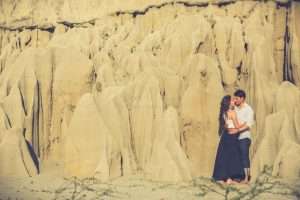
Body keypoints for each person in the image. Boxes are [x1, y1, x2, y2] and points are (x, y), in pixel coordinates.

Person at [212, 95, 246, 185]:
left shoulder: (223, 112)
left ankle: (225, 178)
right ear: (228, 102)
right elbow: (237, 126)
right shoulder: (232, 112)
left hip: (225, 136)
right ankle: (228, 179)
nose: (234, 101)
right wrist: (246, 123)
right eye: (232, 100)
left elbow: (225, 126)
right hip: (232, 136)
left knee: (224, 157)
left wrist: (229, 128)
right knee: (232, 157)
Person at [228, 90, 254, 184]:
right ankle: (237, 176)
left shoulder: (248, 109)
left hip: (244, 137)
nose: (235, 100)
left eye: (236, 98)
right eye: (234, 98)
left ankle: (246, 178)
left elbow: (248, 124)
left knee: (244, 157)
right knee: (235, 157)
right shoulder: (234, 108)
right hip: (234, 137)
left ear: (242, 98)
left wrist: (237, 130)